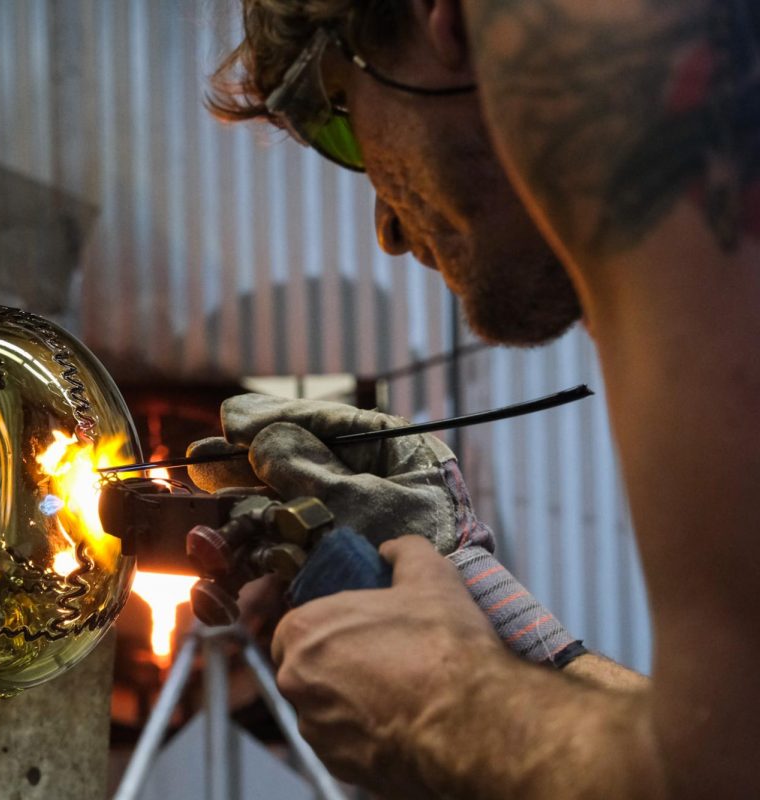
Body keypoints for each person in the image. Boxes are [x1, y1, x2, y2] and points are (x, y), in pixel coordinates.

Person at [194, 0, 760, 796]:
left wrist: (441, 712)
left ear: (447, 23)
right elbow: (720, 729)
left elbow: (717, 775)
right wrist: (470, 587)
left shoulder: (683, 148)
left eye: (343, 123)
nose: (387, 225)